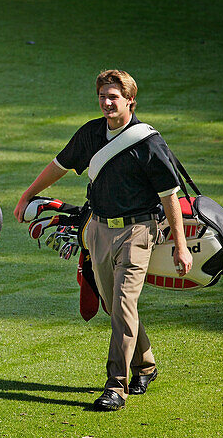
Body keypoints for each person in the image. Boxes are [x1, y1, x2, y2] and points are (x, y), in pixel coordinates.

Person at [14, 70, 191, 411]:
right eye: (102, 96)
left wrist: (181, 245)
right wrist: (28, 194)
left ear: (130, 101)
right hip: (97, 228)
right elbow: (59, 165)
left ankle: (116, 386)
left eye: (114, 97)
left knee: (123, 305)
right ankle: (146, 364)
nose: (107, 102)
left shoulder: (148, 143)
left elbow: (170, 196)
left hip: (138, 232)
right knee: (114, 306)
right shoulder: (91, 133)